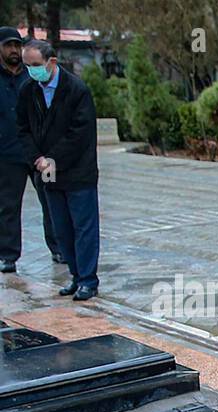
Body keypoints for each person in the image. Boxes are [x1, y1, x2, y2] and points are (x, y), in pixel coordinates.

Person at [15, 39, 99, 301]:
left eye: (36, 65)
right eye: (27, 65)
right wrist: (37, 158)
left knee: (83, 228)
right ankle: (75, 276)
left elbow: (80, 133)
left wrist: (52, 158)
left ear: (51, 62)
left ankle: (88, 280)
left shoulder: (76, 90)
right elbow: (23, 129)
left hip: (77, 171)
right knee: (61, 229)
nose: (31, 70)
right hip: (46, 172)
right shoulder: (28, 90)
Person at [0, 26, 60, 275]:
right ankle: (8, 255)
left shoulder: (32, 75)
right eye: (8, 45)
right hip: (7, 154)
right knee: (7, 206)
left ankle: (59, 248)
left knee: (51, 200)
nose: (14, 50)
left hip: (38, 154)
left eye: (17, 45)